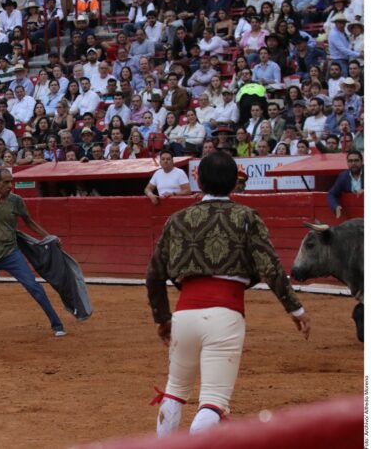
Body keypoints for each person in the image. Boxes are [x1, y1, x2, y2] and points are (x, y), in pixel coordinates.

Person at [146, 151, 311, 437]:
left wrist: (163, 318)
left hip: (184, 315)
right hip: (225, 315)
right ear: (235, 183)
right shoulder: (246, 216)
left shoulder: (177, 219)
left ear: (198, 181)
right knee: (213, 402)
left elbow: (154, 275)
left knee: (174, 392)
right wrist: (295, 309)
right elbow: (270, 266)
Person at [0, 168, 66, 337]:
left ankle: (56, 324)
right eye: (5, 182)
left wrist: (49, 237)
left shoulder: (16, 201)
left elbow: (29, 222)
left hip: (10, 253)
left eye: (11, 181)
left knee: (34, 287)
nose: (10, 185)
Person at [327, 150, 363, 219]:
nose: (353, 163)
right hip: (352, 216)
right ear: (347, 163)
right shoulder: (343, 176)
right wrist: (336, 206)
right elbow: (332, 194)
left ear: (362, 162)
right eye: (350, 161)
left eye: (356, 160)